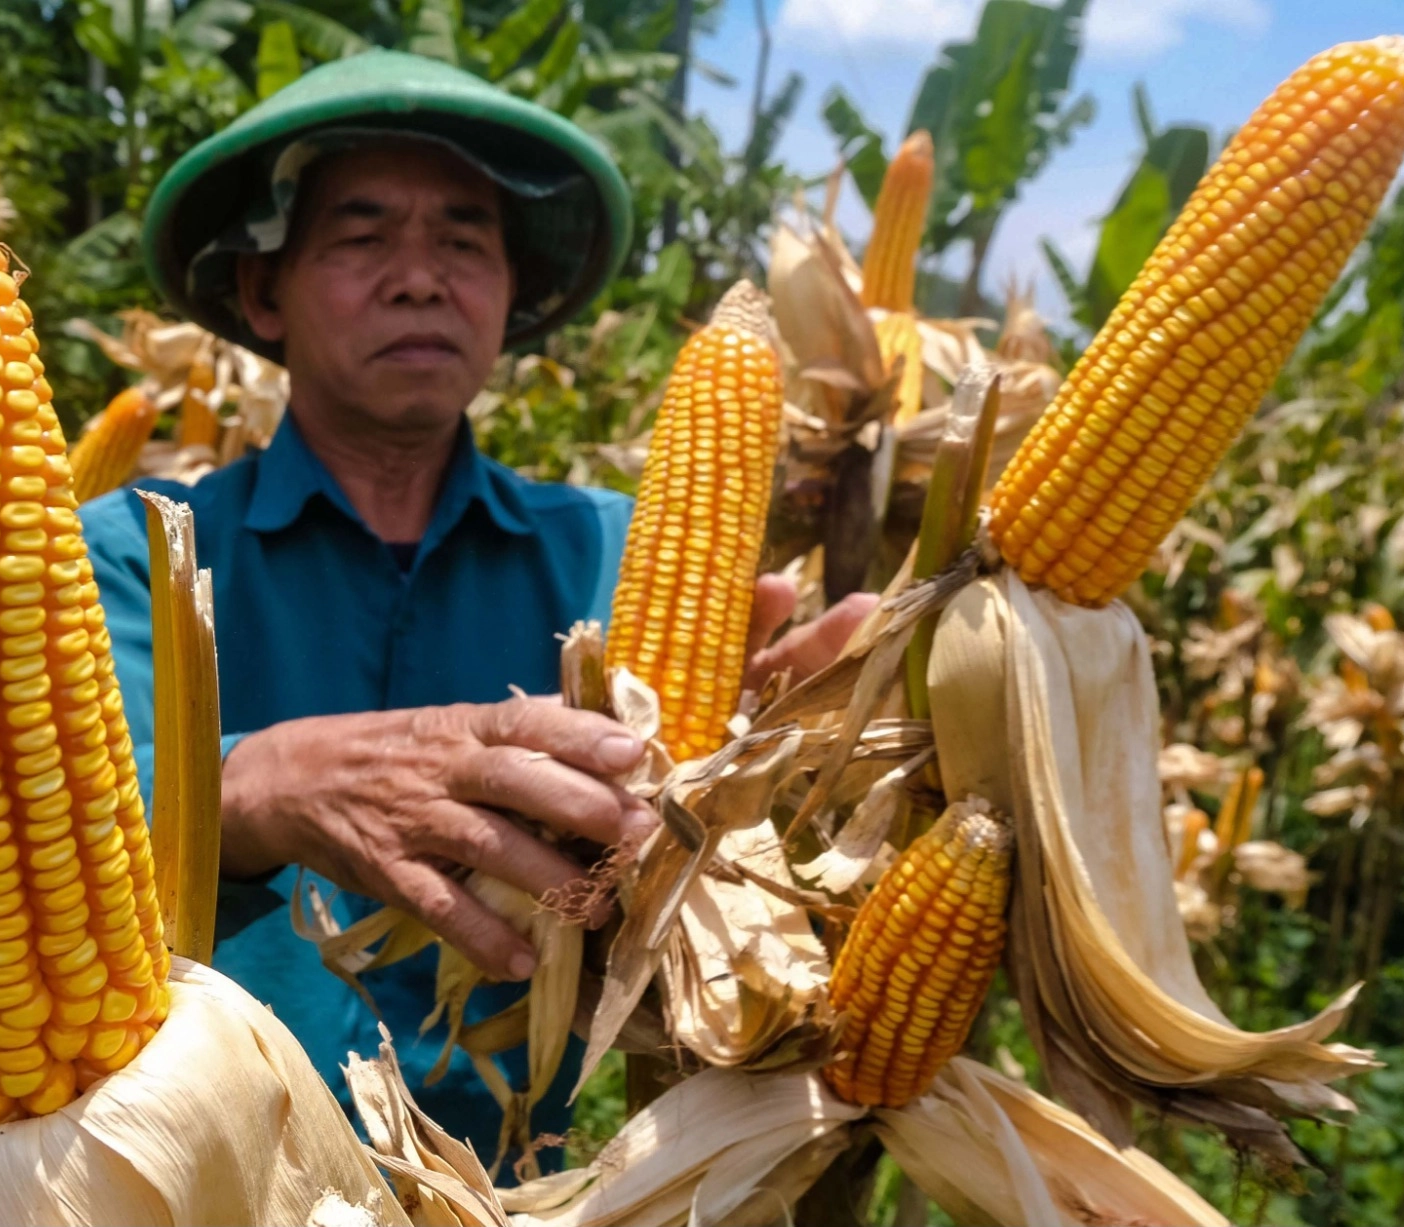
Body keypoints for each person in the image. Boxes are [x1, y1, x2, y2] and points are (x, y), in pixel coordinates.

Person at [77, 49, 873, 1154]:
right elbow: (55, 840)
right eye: (362, 237)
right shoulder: (131, 551)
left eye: (463, 241)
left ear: (511, 295)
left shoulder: (609, 547)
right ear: (263, 291)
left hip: (516, 1190)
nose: (420, 277)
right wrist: (261, 780)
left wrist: (752, 780)